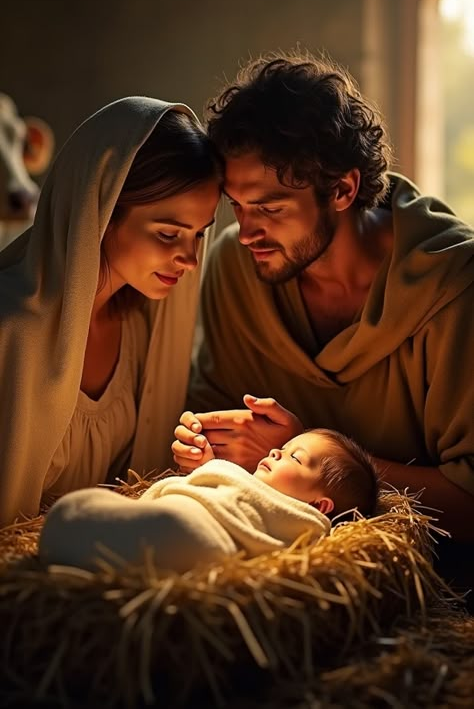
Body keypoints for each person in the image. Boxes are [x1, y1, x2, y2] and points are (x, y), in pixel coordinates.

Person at [173, 51, 474, 546]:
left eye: (269, 207)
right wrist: (200, 447)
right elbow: (214, 417)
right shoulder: (235, 265)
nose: (247, 232)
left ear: (342, 189)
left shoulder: (455, 287)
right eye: (238, 208)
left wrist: (307, 450)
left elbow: (470, 505)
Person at [0, 96, 222, 527]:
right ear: (100, 209)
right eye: (168, 233)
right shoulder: (11, 333)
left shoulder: (142, 333)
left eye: (198, 235)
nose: (190, 259)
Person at [38, 428, 379, 572]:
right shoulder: (245, 482)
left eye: (295, 457)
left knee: (169, 529)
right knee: (79, 505)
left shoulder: (304, 526)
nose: (276, 451)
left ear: (320, 506)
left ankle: (81, 541)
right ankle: (84, 537)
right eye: (284, 446)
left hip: (201, 539)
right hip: (178, 520)